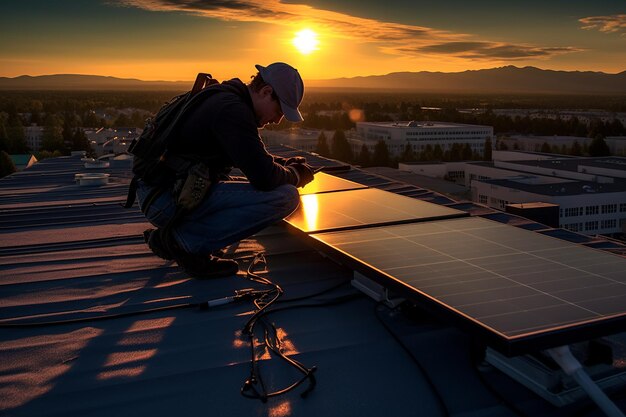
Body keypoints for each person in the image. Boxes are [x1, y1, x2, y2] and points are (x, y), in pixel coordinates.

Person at [137, 62, 315, 278]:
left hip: (161, 193)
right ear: (266, 92)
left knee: (240, 183)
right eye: (279, 111)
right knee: (286, 197)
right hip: (165, 200)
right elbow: (264, 177)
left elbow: (249, 157)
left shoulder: (226, 98)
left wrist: (285, 165)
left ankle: (191, 237)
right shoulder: (232, 111)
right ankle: (183, 243)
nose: (277, 120)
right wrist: (295, 175)